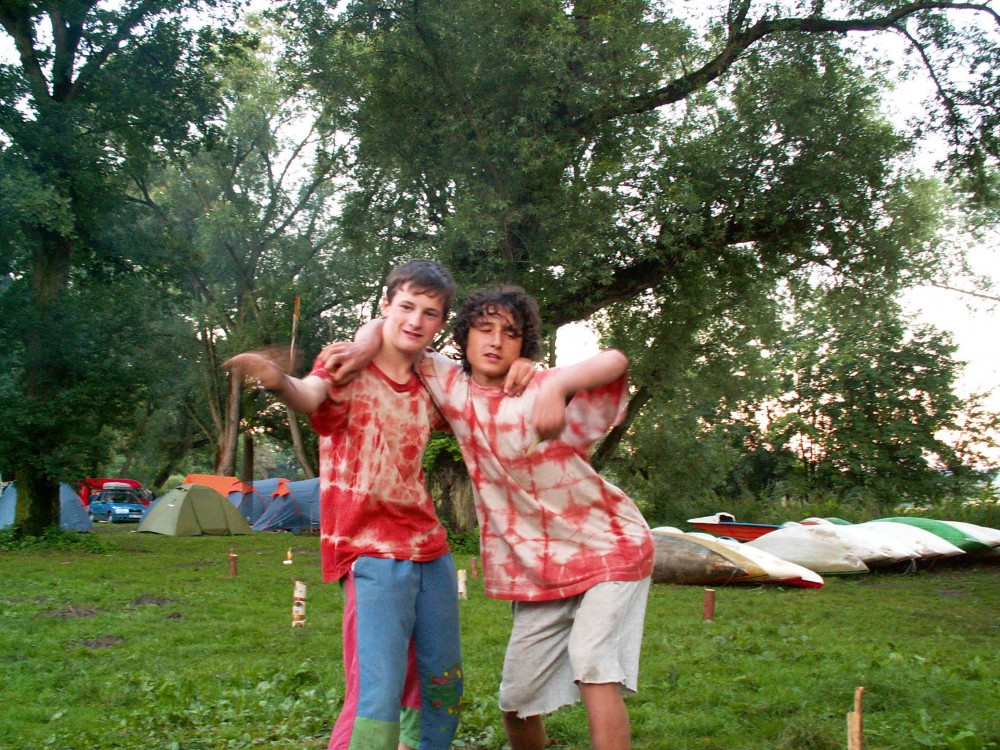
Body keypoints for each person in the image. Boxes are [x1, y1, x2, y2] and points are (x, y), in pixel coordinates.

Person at [325, 284, 654, 750]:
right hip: (540, 567)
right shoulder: (446, 382)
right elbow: (395, 325)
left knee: (592, 664)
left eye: (510, 333)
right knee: (517, 700)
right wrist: (361, 346)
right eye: (484, 329)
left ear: (525, 345)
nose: (496, 341)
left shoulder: (539, 386)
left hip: (610, 546)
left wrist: (557, 384)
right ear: (463, 337)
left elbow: (615, 360)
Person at [226, 260, 477, 750]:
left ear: (440, 322)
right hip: (369, 549)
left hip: (430, 547)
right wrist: (278, 380)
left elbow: (485, 388)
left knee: (442, 679)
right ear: (386, 305)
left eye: (429, 313)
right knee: (376, 692)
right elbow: (309, 394)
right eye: (406, 307)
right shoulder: (348, 365)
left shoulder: (435, 375)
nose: (415, 320)